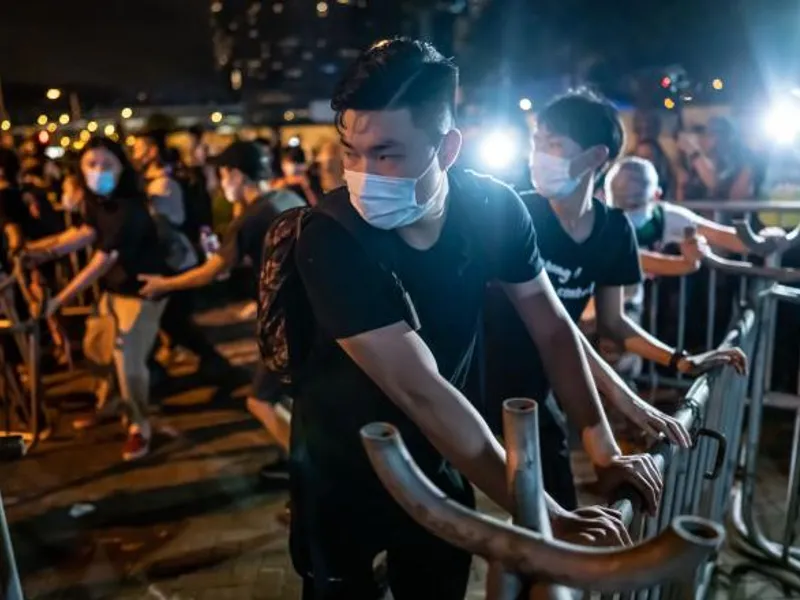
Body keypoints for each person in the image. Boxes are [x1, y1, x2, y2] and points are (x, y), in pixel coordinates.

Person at [281, 38, 666, 599]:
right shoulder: (331, 237)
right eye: (350, 152)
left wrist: (601, 443)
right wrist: (543, 510)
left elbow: (553, 328)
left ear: (449, 147)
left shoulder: (494, 209)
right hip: (338, 473)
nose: (364, 174)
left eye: (387, 153)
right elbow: (420, 389)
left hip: (441, 461)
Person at [483, 92, 746, 509]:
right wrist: (627, 404)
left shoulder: (614, 232)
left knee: (555, 508)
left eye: (552, 145)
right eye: (536, 143)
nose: (538, 156)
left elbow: (614, 325)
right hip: (477, 377)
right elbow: (557, 330)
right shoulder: (515, 214)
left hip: (538, 384)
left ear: (594, 158)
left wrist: (679, 360)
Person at [138, 141, 306, 480]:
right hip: (306, 312)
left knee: (260, 400)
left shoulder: (251, 216)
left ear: (236, 175)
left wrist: (163, 285)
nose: (220, 182)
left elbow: (213, 271)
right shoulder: (287, 198)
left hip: (285, 323)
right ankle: (294, 458)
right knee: (286, 399)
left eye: (223, 174)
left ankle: (310, 474)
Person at [23, 138, 170, 461]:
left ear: (122, 168)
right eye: (91, 164)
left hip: (142, 292)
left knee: (129, 363)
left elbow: (100, 260)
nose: (98, 172)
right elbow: (85, 234)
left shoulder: (129, 208)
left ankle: (139, 426)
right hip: (113, 292)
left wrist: (58, 300)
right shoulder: (97, 202)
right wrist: (42, 252)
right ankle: (111, 405)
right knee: (98, 349)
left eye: (107, 165)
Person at [132, 130, 229, 379]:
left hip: (177, 259)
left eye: (139, 147)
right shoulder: (155, 180)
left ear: (153, 150)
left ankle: (214, 363)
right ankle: (207, 361)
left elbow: (174, 220)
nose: (135, 154)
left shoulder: (165, 183)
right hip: (172, 259)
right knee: (172, 319)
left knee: (174, 320)